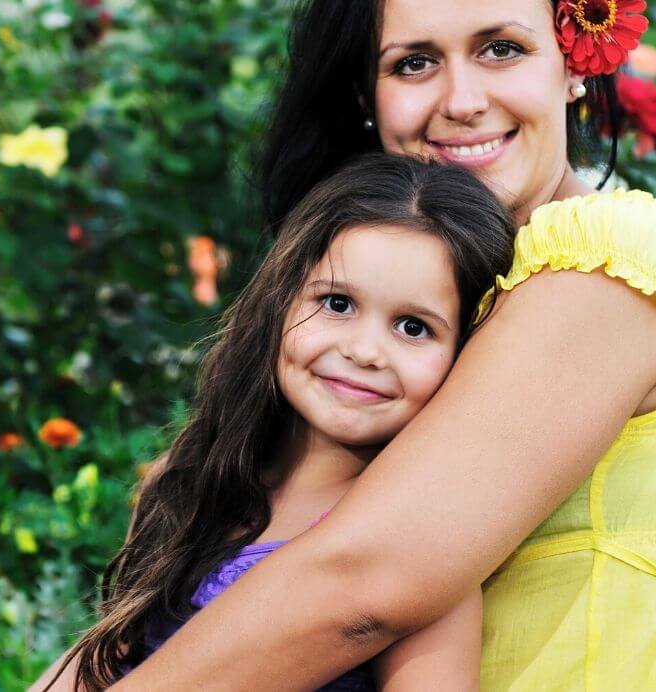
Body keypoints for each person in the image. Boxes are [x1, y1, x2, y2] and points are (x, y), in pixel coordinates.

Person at [92, 0, 656, 689]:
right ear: (367, 96)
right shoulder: (416, 289)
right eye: (413, 63)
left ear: (574, 63)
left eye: (502, 49)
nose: (461, 99)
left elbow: (364, 587)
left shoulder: (609, 262)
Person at [31, 153, 517, 691]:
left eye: (412, 327)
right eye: (337, 303)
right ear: (281, 302)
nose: (363, 351)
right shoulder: (187, 481)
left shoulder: (420, 555)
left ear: (465, 353)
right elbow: (102, 662)